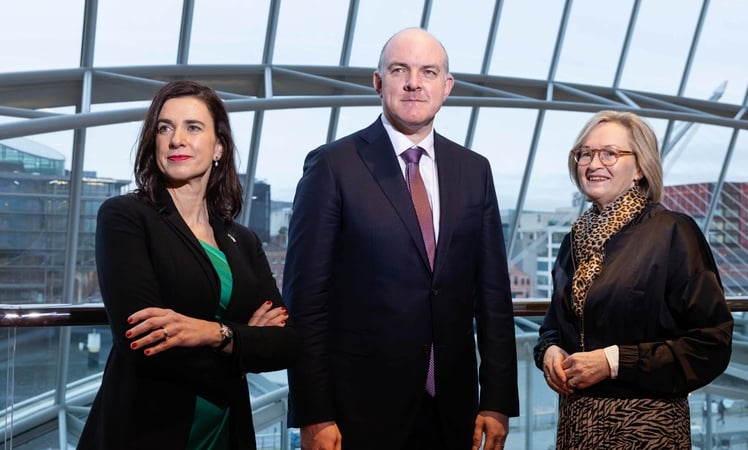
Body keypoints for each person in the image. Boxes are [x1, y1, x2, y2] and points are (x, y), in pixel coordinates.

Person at [283, 27, 519, 450]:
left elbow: (494, 297)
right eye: (399, 69)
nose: (414, 82)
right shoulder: (333, 166)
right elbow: (306, 301)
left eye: (428, 71)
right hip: (358, 412)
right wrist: (314, 412)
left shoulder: (474, 171)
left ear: (446, 87)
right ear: (378, 82)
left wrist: (497, 399)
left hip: (455, 411)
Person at [77, 80, 299, 449]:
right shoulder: (125, 217)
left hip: (227, 431)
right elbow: (143, 346)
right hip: (146, 431)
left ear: (218, 148)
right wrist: (242, 352)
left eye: (192, 127)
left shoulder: (242, 241)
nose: (176, 139)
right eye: (165, 128)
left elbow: (288, 342)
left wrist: (212, 333)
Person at [533, 110, 733, 449]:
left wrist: (612, 362)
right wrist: (550, 351)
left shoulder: (673, 232)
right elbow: (554, 326)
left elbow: (710, 345)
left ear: (640, 167)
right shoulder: (574, 239)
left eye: (610, 153)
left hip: (644, 428)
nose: (593, 163)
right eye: (585, 153)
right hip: (578, 427)